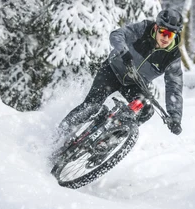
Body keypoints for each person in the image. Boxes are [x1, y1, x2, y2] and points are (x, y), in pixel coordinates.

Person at [59, 8, 184, 137]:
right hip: (112, 70)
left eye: (170, 35)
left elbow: (174, 87)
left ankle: (109, 139)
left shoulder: (172, 57)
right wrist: (123, 51)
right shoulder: (144, 29)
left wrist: (175, 118)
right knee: (91, 105)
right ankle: (59, 135)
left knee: (146, 110)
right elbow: (118, 34)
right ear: (157, 27)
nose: (165, 37)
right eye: (163, 32)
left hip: (135, 84)